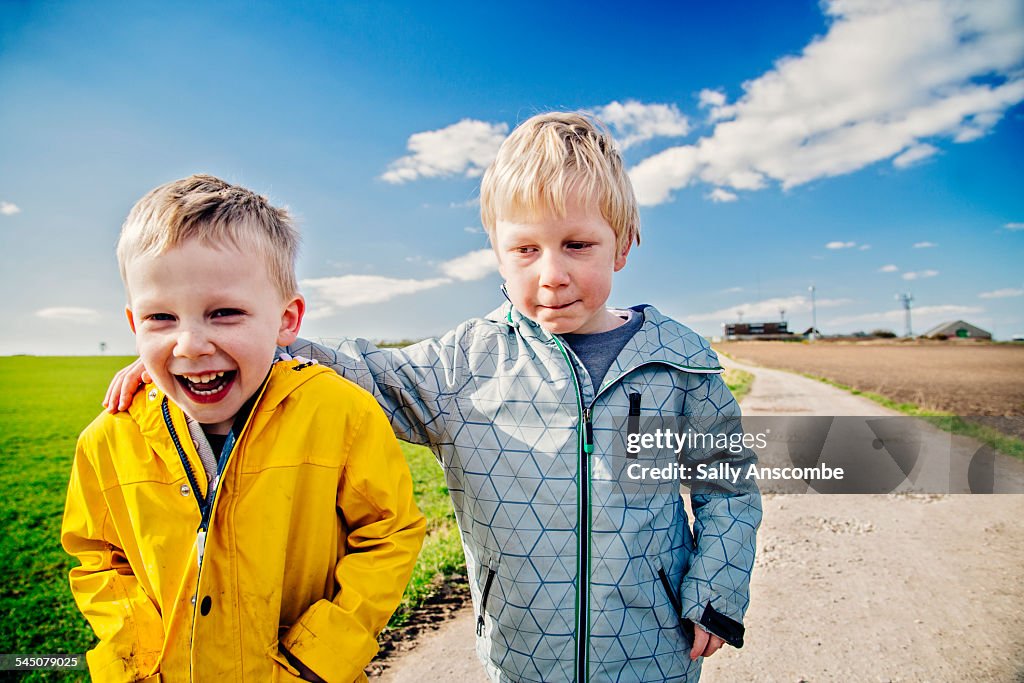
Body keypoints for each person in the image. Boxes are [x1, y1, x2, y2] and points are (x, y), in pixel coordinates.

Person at [108, 114, 761, 682]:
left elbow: (725, 487)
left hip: (652, 653)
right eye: (525, 248)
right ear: (497, 256)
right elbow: (368, 374)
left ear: (623, 242)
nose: (551, 272)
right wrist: (212, 349)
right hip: (523, 655)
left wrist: (717, 585)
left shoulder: (678, 366)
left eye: (577, 245)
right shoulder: (464, 365)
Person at [65, 175, 426, 683]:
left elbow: (390, 533)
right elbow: (97, 557)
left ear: (286, 319)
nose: (189, 345)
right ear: (133, 324)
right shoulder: (108, 440)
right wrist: (139, 657)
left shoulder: (340, 415)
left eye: (224, 313)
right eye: (161, 318)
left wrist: (319, 655)